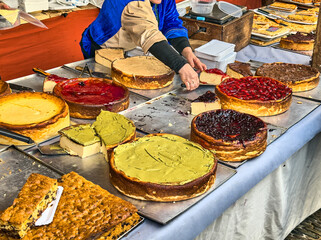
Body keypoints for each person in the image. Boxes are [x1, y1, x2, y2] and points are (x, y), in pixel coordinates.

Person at [80, 0, 206, 90]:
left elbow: (171, 22)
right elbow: (149, 35)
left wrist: (187, 51)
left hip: (126, 48)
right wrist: (181, 65)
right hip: (103, 50)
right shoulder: (132, 4)